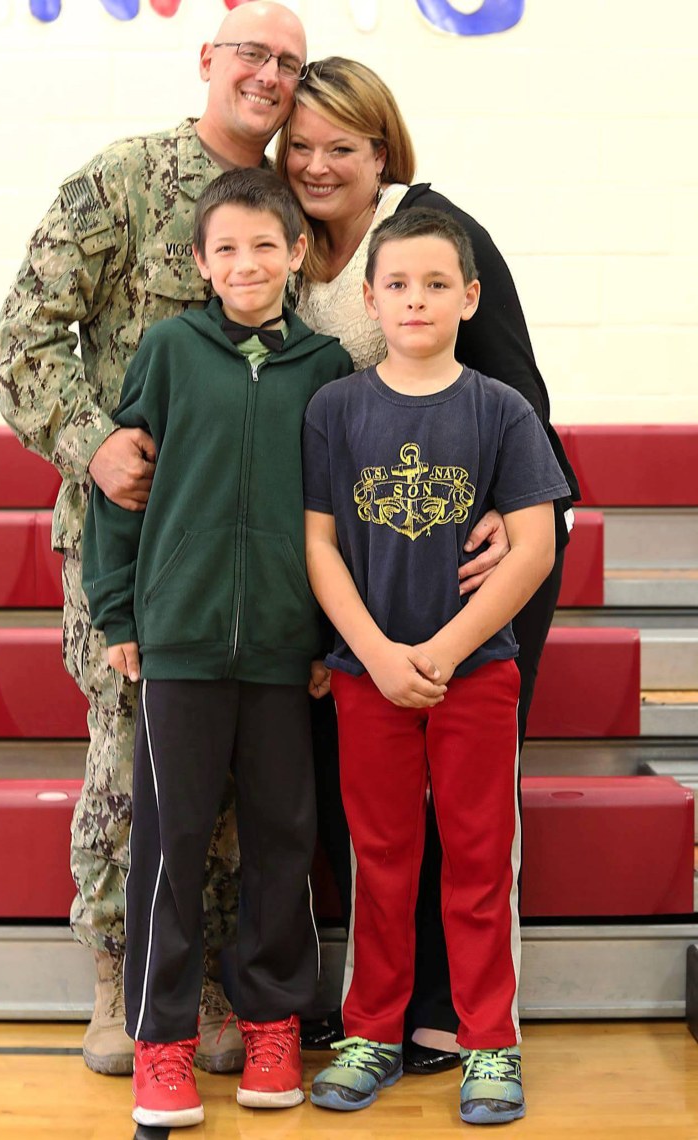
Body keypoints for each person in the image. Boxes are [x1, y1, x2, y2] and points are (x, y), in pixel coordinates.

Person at [0, 1, 309, 1078]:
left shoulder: (291, 208)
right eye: (252, 54)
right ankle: (118, 979)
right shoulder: (122, 179)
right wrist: (95, 444)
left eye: (288, 63)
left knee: (230, 776)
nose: (269, 75)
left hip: (253, 555)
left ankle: (208, 980)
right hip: (131, 541)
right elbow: (23, 336)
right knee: (135, 758)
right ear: (209, 61)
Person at [276, 55, 579, 1072]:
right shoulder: (290, 247)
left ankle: (458, 1017)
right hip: (360, 559)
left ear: (381, 149)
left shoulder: (433, 228)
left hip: (472, 547)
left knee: (467, 817)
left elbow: (515, 382)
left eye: (343, 147)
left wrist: (507, 506)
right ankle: (374, 1010)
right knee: (363, 811)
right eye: (302, 145)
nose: (319, 165)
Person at [82, 166, 353, 1129]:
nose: (246, 263)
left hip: (286, 650)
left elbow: (342, 519)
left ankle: (274, 1022)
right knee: (171, 843)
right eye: (226, 248)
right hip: (180, 645)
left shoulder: (325, 371)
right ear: (200, 262)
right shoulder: (168, 350)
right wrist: (119, 613)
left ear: (296, 256)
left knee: (285, 840)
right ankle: (162, 1044)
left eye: (265, 246)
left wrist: (330, 635)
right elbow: (119, 485)